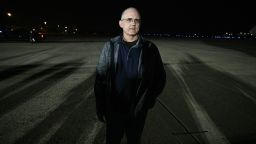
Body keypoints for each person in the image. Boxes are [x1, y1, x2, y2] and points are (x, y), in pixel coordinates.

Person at [94, 7, 166, 144]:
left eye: (137, 20)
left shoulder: (150, 49)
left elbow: (160, 77)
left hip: (137, 112)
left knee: (134, 140)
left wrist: (148, 100)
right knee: (112, 140)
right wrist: (100, 104)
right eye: (129, 20)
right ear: (120, 23)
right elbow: (100, 78)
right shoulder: (110, 46)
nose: (133, 23)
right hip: (114, 110)